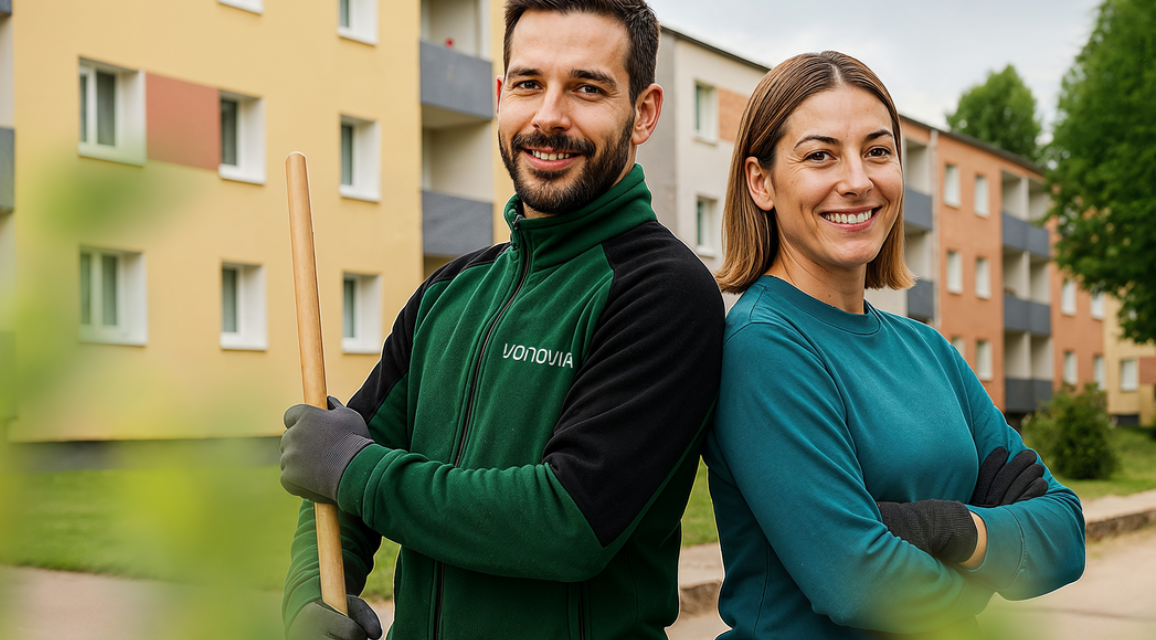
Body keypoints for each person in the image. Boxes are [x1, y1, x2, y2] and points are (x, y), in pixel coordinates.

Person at [277, 1, 725, 638]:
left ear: (643, 112)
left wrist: (356, 472)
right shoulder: (450, 292)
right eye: (528, 84)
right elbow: (342, 457)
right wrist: (308, 598)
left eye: (587, 88)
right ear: (500, 95)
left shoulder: (665, 291)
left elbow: (567, 523)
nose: (548, 116)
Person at [703, 51, 1085, 639]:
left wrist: (946, 529)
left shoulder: (928, 351)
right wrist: (989, 574)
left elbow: (1064, 533)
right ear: (762, 182)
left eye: (878, 152)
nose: (857, 181)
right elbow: (859, 583)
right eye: (820, 155)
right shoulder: (765, 347)